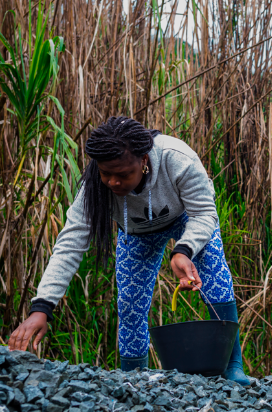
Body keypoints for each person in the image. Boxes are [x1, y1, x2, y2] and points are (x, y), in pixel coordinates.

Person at [8, 117, 249, 386]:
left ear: (144, 160)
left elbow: (204, 213)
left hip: (188, 220)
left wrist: (183, 250)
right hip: (136, 233)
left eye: (123, 174)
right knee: (130, 302)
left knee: (216, 276)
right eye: (105, 174)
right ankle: (134, 379)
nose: (112, 182)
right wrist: (42, 307)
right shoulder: (93, 187)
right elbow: (70, 243)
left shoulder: (177, 158)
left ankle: (232, 366)